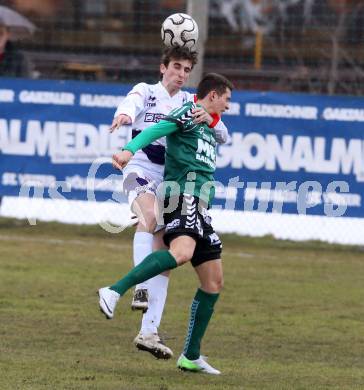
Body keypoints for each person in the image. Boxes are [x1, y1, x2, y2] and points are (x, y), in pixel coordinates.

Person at [99, 72, 233, 375]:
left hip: (200, 205)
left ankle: (191, 356)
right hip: (181, 195)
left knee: (213, 283)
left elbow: (225, 134)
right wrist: (128, 151)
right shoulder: (185, 113)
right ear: (213, 95)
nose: (228, 105)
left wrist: (210, 120)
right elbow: (157, 129)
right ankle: (114, 290)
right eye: (226, 99)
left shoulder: (209, 122)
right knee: (181, 253)